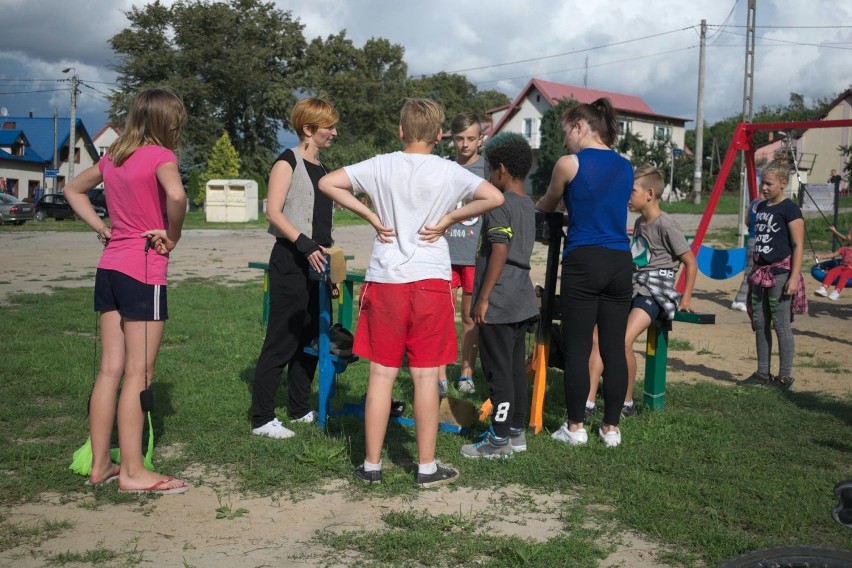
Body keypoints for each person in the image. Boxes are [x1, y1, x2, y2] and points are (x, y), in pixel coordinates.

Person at [318, 98, 503, 487]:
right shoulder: (450, 171)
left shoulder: (380, 164)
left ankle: (371, 466)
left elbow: (327, 182)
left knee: (381, 375)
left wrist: (370, 214)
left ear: (401, 131)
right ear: (440, 135)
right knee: (423, 377)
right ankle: (426, 466)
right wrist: (451, 217)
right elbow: (494, 197)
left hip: (385, 280)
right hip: (431, 283)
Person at [63, 88, 189, 494]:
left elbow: (72, 189)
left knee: (109, 369)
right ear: (166, 121)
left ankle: (101, 464)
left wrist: (102, 228)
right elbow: (177, 195)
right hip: (144, 270)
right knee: (140, 371)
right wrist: (172, 235)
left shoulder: (114, 154)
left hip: (110, 269)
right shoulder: (160, 156)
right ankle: (133, 471)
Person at [535, 98, 633, 448]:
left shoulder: (568, 163)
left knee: (577, 349)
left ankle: (575, 427)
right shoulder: (626, 166)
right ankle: (611, 429)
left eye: (567, 133)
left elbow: (548, 203)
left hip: (584, 259)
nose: (565, 141)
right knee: (613, 348)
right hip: (620, 262)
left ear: (580, 126)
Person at [251, 98, 339, 439]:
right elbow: (273, 212)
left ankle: (299, 407)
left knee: (313, 339)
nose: (334, 132)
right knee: (282, 340)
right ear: (308, 129)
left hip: (320, 263)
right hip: (291, 260)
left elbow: (322, 225)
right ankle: (261, 418)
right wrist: (304, 245)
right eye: (328, 126)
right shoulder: (287, 162)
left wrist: (330, 270)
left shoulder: (326, 171)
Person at [586, 166, 697, 417]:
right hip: (634, 286)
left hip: (655, 292)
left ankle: (626, 402)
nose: (627, 196)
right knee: (598, 336)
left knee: (623, 341)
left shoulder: (666, 223)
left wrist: (685, 299)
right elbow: (638, 258)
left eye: (632, 191)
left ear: (649, 193)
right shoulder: (638, 222)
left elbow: (691, 262)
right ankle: (589, 401)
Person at [459, 132, 538, 459]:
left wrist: (484, 297)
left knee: (499, 372)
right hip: (521, 299)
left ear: (502, 170)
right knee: (516, 370)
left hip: (501, 300)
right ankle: (516, 433)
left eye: (491, 171)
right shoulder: (528, 205)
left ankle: (497, 439)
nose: (490, 177)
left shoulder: (498, 203)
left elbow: (500, 250)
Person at [737, 159, 806, 389]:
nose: (763, 187)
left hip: (780, 274)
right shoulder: (762, 207)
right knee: (760, 321)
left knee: (781, 324)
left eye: (768, 184)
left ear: (783, 183)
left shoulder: (790, 209)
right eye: (761, 183)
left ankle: (784, 376)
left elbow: (798, 245)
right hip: (760, 274)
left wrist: (794, 277)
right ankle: (762, 373)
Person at [439, 112, 487, 396]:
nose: (465, 145)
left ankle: (467, 373)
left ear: (481, 139)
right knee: (444, 315)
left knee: (470, 318)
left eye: (471, 138)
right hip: (444, 254)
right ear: (451, 139)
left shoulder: (489, 170)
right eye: (459, 139)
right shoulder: (443, 168)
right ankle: (440, 373)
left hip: (474, 256)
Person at [731, 195, 764, 312]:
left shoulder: (754, 203)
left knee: (758, 271)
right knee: (751, 271)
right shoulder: (764, 204)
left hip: (753, 239)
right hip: (758, 240)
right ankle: (739, 300)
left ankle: (753, 299)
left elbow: (747, 221)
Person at [814, 225, 852, 301]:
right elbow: (833, 254)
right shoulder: (844, 248)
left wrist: (835, 231)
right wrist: (820, 257)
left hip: (851, 269)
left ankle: (836, 292)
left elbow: (843, 238)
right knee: (831, 272)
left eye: (848, 234)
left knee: (844, 275)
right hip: (842, 267)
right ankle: (824, 288)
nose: (846, 236)